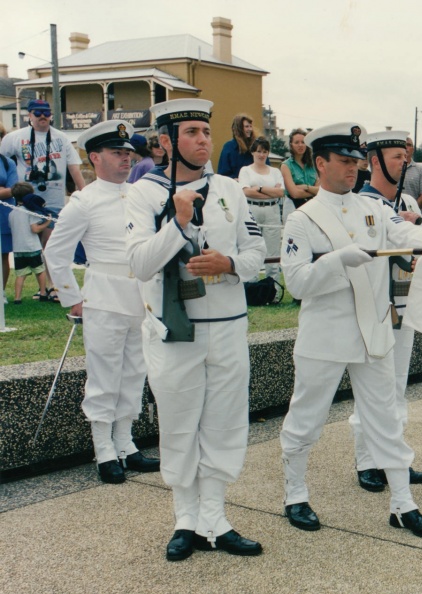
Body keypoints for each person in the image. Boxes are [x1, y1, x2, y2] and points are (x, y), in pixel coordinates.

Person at [278, 122, 422, 540]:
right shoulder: (302, 220)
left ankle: (402, 503)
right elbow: (298, 284)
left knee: (386, 418)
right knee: (306, 418)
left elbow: (402, 232)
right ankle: (295, 494)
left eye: (356, 162)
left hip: (372, 332)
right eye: (343, 162)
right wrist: (338, 260)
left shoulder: (371, 209)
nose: (353, 169)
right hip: (325, 335)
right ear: (320, 163)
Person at [125, 99, 267, 561]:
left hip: (227, 326)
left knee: (224, 422)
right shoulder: (144, 193)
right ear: (166, 142)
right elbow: (139, 263)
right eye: (191, 132)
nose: (203, 140)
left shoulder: (230, 187)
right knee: (181, 424)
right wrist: (178, 222)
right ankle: (185, 519)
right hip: (174, 330)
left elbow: (255, 255)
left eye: (206, 131)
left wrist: (228, 264)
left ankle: (216, 518)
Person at [44, 120, 161, 484]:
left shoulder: (141, 194)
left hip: (140, 295)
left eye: (129, 154)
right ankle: (103, 450)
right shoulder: (84, 201)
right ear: (94, 157)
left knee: (134, 372)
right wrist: (72, 298)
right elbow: (55, 252)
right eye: (117, 153)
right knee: (104, 373)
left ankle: (126, 442)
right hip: (104, 294)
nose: (126, 159)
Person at [352, 129, 422, 493]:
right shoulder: (358, 205)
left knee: (398, 385)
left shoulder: (411, 204)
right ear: (375, 161)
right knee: (373, 388)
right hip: (374, 307)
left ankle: (395, 459)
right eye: (397, 156)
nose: (405, 162)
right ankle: (367, 461)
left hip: (405, 303)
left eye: (405, 155)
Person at [1, 98, 85, 299]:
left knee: (51, 244)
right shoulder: (15, 137)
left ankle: (51, 286)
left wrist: (84, 192)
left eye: (46, 113)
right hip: (24, 202)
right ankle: (34, 289)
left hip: (52, 200)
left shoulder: (62, 138)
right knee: (29, 245)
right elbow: (3, 162)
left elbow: (74, 167)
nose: (42, 117)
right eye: (37, 113)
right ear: (29, 116)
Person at [239, 136, 285, 282]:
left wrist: (259, 188)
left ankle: (274, 289)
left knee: (272, 251)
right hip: (252, 210)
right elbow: (246, 191)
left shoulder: (275, 172)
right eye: (258, 151)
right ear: (253, 152)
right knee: (252, 248)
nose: (261, 155)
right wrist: (270, 192)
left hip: (272, 211)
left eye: (264, 151)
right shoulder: (246, 170)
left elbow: (280, 192)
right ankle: (252, 287)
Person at [8, 183, 50, 303]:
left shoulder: (12, 213)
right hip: (32, 247)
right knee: (40, 270)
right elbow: (35, 229)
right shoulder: (30, 211)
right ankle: (43, 293)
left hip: (18, 249)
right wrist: (47, 222)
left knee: (20, 274)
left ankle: (17, 298)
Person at [0, 124, 18, 300]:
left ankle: (1, 292)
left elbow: (13, 189)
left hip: (3, 215)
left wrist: (6, 190)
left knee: (3, 255)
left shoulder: (7, 162)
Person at [281, 128, 318, 210]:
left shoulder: (313, 165)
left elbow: (320, 191)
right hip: (293, 206)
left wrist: (306, 187)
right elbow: (294, 193)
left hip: (311, 206)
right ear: (291, 145)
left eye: (303, 142)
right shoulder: (286, 166)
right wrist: (313, 191)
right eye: (297, 142)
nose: (300, 145)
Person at [217, 113, 255, 179]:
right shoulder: (228, 147)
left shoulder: (256, 146)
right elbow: (223, 175)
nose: (250, 129)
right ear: (239, 128)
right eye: (246, 126)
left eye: (250, 126)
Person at [402, 137, 422, 210]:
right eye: (403, 145)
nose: (406, 147)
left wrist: (411, 210)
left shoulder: (421, 170)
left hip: (417, 217)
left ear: (413, 149)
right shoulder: (392, 169)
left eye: (408, 145)